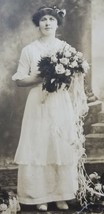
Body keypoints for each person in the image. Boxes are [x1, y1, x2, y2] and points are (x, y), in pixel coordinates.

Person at [12, 5, 89, 211]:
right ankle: (38, 196)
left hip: (60, 102)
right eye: (44, 19)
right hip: (38, 102)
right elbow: (19, 80)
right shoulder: (30, 50)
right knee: (38, 145)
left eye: (51, 19)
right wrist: (42, 77)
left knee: (59, 145)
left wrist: (65, 75)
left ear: (57, 23)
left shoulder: (66, 49)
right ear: (38, 23)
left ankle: (61, 194)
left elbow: (75, 77)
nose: (47, 23)